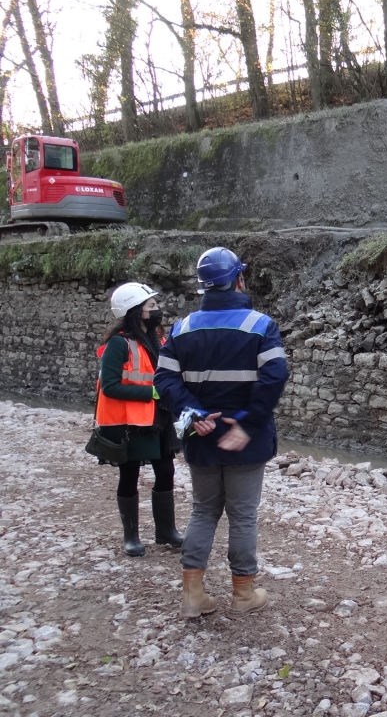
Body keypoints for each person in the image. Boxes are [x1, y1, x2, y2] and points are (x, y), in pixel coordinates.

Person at [155, 247, 288, 619]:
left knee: (203, 511)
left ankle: (193, 595)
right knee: (242, 516)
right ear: (238, 279)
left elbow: (164, 378)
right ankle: (243, 594)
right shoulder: (259, 325)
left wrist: (190, 410)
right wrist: (246, 422)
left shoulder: (182, 328)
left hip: (201, 436)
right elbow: (275, 375)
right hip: (245, 439)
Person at [95, 282, 184, 557]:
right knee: (129, 475)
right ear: (137, 311)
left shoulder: (156, 340)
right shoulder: (118, 343)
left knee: (166, 471)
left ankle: (165, 531)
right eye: (151, 306)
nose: (157, 309)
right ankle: (130, 537)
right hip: (130, 422)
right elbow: (109, 386)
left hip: (158, 418)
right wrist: (152, 391)